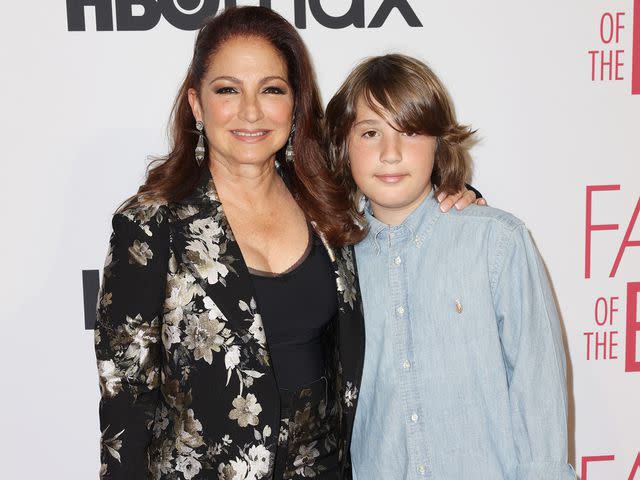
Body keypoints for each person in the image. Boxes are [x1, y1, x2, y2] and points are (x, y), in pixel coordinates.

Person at [94, 7, 479, 480]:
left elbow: (405, 200)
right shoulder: (150, 225)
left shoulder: (328, 202)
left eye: (271, 89)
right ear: (196, 104)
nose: (251, 111)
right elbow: (126, 404)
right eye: (228, 90)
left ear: (295, 104)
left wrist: (461, 197)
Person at [325, 54, 576, 479]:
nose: (390, 153)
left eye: (410, 132)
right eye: (370, 133)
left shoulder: (497, 242)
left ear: (439, 143)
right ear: (343, 146)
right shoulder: (331, 262)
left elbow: (538, 388)